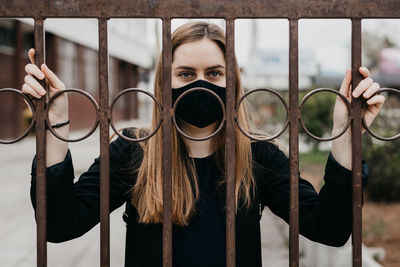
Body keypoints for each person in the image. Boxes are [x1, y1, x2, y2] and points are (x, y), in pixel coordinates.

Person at [24, 22, 384, 267]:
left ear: (233, 81)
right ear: (165, 82)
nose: (200, 84)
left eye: (214, 73)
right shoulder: (134, 151)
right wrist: (55, 123)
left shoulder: (259, 157)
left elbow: (332, 229)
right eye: (185, 74)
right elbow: (58, 225)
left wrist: (346, 134)